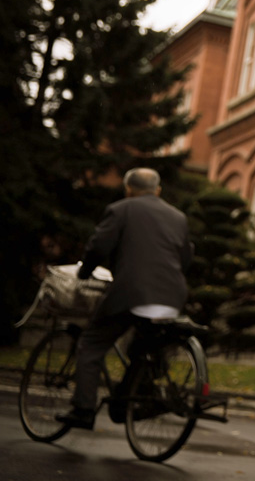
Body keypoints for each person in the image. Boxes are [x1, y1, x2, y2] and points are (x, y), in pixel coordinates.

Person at [56, 167, 193, 430]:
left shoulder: (121, 210)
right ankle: (127, 401)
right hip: (172, 296)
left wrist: (84, 273)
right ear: (158, 191)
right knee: (143, 349)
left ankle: (83, 410)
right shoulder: (178, 217)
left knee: (91, 344)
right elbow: (186, 259)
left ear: (128, 189)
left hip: (132, 292)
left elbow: (99, 246)